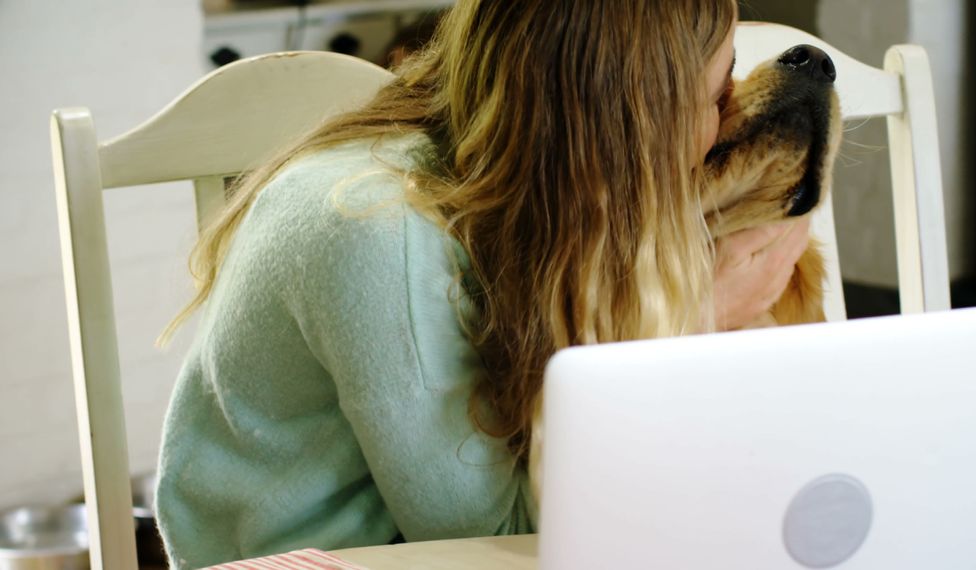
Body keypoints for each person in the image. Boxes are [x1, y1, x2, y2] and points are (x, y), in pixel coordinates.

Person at [154, 1, 811, 568]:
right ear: (621, 125)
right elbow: (500, 540)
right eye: (717, 92)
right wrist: (702, 314)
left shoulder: (527, 198)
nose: (727, 120)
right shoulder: (373, 230)